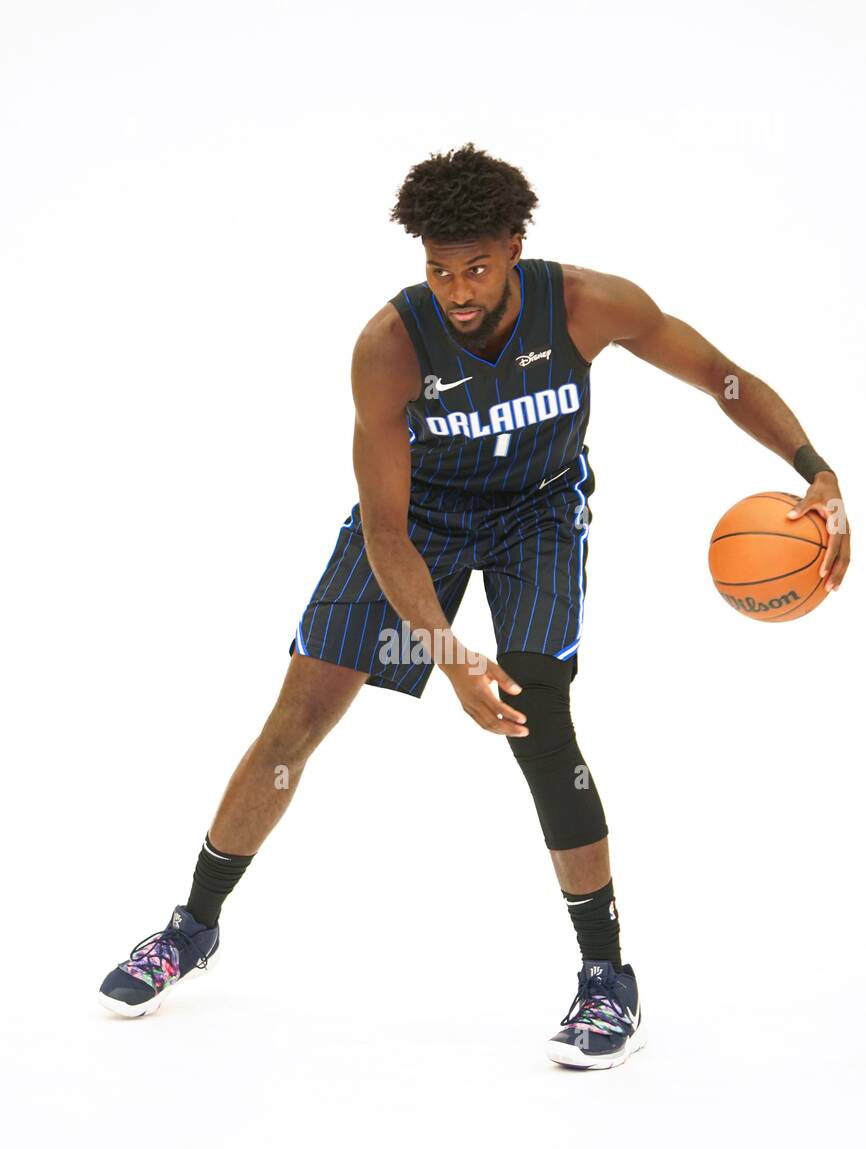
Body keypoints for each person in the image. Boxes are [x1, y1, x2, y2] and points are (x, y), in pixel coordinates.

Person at [98, 142, 850, 1070]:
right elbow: (383, 531)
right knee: (299, 717)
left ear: (517, 245)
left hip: (538, 513)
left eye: (478, 267)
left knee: (539, 719)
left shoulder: (588, 304)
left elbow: (721, 377)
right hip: (420, 523)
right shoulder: (389, 346)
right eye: (440, 269)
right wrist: (448, 653)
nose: (458, 288)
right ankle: (193, 926)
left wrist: (814, 471)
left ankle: (608, 978)